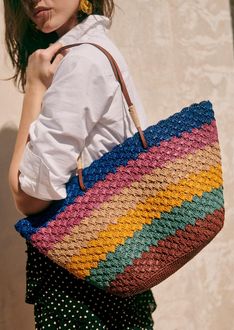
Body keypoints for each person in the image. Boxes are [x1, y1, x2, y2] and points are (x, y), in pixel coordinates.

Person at [5, 0, 157, 328]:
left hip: (84, 287)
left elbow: (27, 196)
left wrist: (34, 87)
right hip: (114, 271)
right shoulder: (99, 49)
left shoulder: (80, 62)